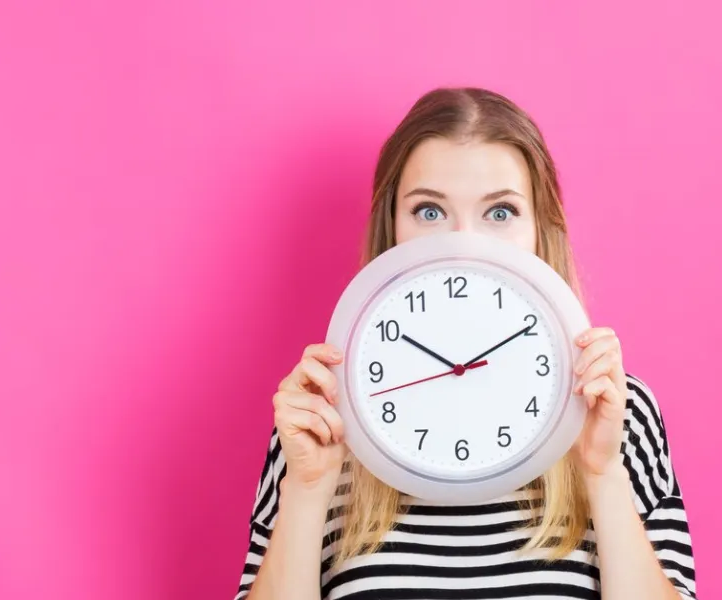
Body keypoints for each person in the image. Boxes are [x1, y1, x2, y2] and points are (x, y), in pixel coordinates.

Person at [233, 87, 696, 600]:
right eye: (429, 212)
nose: (462, 243)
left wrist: (602, 473)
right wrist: (307, 490)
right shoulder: (321, 417)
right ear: (392, 230)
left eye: (499, 213)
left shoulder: (617, 413)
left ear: (541, 232)